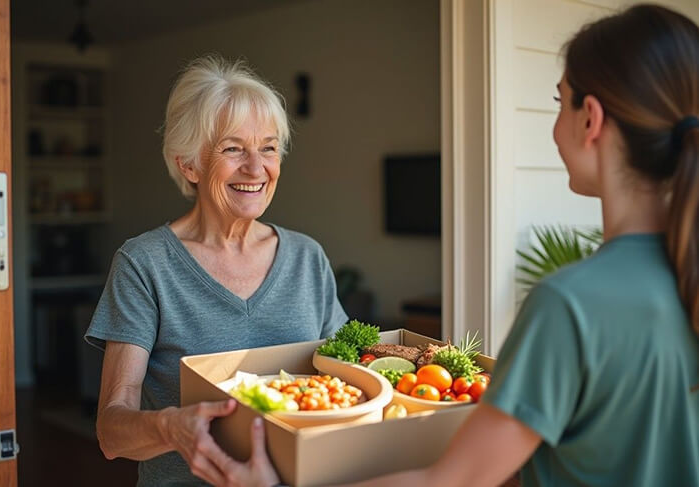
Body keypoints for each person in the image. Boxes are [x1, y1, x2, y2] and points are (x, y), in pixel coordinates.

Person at [210, 4, 699, 486]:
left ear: (590, 119)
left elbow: (449, 481)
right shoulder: (682, 279)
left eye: (559, 102)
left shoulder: (572, 306)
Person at [84, 55, 348, 487]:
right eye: (232, 149)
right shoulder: (145, 263)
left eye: (267, 147)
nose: (256, 167)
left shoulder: (307, 257)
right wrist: (171, 428)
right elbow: (112, 432)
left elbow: (344, 378)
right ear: (189, 164)